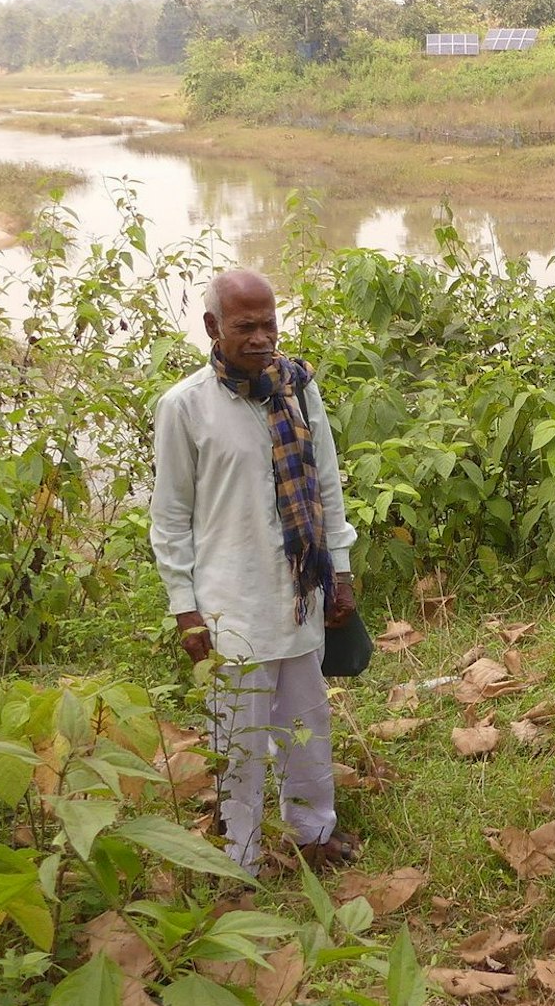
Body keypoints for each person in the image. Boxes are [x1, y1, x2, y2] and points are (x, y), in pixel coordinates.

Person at [150, 269, 362, 874]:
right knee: (237, 741)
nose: (263, 337)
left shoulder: (297, 388)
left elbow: (326, 485)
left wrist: (339, 574)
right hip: (229, 606)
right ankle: (239, 858)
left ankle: (314, 831)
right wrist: (185, 610)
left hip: (297, 593)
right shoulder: (185, 407)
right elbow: (169, 520)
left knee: (308, 722)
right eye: (246, 326)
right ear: (214, 327)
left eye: (270, 322)